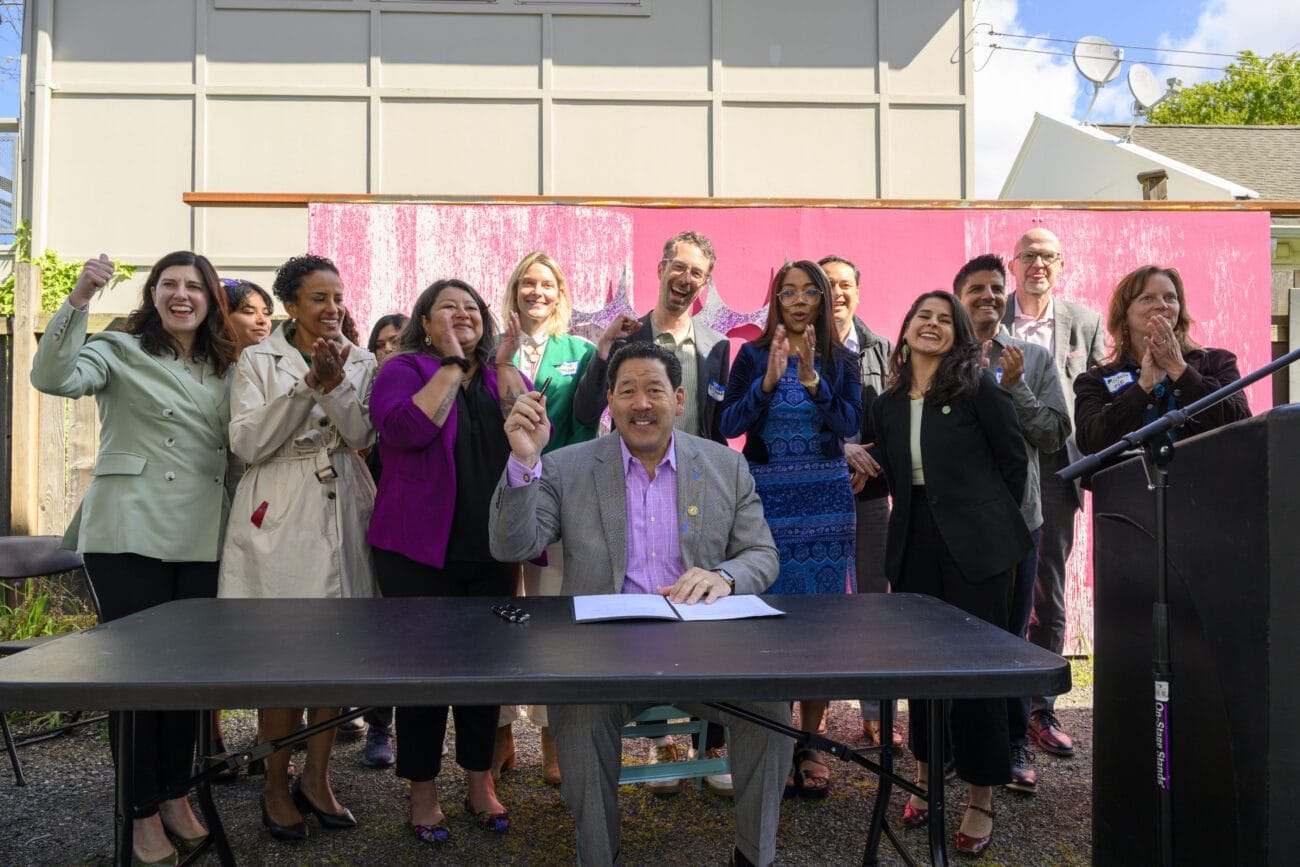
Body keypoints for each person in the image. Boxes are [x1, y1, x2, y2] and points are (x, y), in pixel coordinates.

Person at [489, 341, 789, 867]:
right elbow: (511, 546)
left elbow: (762, 555)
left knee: (769, 712)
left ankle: (754, 855)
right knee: (580, 717)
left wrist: (723, 576)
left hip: (705, 649)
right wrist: (523, 461)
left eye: (654, 390)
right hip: (603, 655)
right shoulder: (565, 467)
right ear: (610, 401)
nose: (641, 403)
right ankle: (598, 855)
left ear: (679, 399)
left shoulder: (724, 466)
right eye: (627, 391)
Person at [31, 251, 237, 867]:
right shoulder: (118, 348)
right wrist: (79, 298)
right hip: (129, 528)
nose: (181, 295)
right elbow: (52, 377)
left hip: (204, 530)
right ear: (152, 295)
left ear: (210, 300)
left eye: (194, 286)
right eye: (168, 284)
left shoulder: (226, 366)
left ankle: (175, 793)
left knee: (187, 677)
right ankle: (140, 808)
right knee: (138, 675)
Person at [218, 254, 378, 842]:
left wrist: (335, 387)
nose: (333, 307)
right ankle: (274, 782)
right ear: (290, 305)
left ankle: (317, 777)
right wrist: (308, 387)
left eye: (337, 296)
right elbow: (247, 442)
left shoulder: (362, 359)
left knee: (335, 648)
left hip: (343, 498)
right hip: (279, 501)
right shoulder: (257, 360)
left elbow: (362, 435)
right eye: (318, 298)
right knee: (282, 652)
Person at [367, 278, 528, 847]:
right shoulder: (404, 369)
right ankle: (423, 791)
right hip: (417, 549)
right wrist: (453, 365)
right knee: (424, 673)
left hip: (492, 545)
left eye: (472, 307)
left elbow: (533, 433)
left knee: (485, 670)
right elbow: (405, 429)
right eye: (448, 307)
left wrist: (503, 367)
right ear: (424, 321)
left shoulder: (498, 373)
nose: (463, 314)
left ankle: (480, 782)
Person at [872, 291, 1031, 857]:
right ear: (905, 329)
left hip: (978, 550)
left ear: (959, 334)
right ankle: (924, 776)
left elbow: (1013, 463)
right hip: (914, 543)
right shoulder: (887, 403)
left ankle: (981, 796)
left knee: (976, 670)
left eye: (944, 319)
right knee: (921, 668)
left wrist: (985, 521)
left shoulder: (978, 388)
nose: (932, 325)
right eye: (923, 317)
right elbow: (890, 471)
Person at [572, 229, 731, 792]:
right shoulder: (626, 334)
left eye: (697, 272)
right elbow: (587, 409)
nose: (685, 279)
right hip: (637, 481)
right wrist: (602, 352)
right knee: (647, 601)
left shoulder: (717, 346)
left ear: (706, 283)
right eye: (678, 267)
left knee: (704, 606)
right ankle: (662, 739)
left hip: (698, 488)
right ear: (660, 268)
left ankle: (714, 741)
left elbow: (720, 422)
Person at [719, 259, 860, 797]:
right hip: (765, 502)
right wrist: (768, 382)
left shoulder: (843, 360)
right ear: (775, 300)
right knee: (766, 619)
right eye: (788, 292)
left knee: (819, 625)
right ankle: (771, 740)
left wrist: (814, 383)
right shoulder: (752, 355)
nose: (799, 301)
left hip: (825, 504)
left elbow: (850, 424)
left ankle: (811, 742)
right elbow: (728, 424)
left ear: (823, 299)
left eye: (809, 292)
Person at [954, 255, 1071, 794]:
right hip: (955, 525)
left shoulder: (1034, 358)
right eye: (976, 288)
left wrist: (1017, 386)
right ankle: (951, 747)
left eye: (996, 288)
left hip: (1019, 521)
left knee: (1011, 636)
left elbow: (1052, 436)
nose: (988, 296)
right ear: (959, 298)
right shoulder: (942, 356)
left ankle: (1013, 740)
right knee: (952, 637)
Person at [493, 251, 607, 786]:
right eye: (527, 283)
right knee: (500, 617)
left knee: (550, 617)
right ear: (515, 290)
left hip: (560, 501)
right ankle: (500, 731)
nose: (536, 292)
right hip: (504, 494)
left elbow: (586, 416)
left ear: (560, 293)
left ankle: (552, 736)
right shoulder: (495, 350)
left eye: (546, 284)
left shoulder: (580, 351)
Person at [1001, 227, 1105, 758]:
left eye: (1048, 256)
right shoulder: (989, 318)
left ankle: (1040, 709)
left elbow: (1096, 397)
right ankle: (996, 704)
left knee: (1048, 590)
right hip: (998, 467)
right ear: (1013, 265)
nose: (1037, 264)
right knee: (998, 587)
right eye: (1029, 255)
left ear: (1061, 265)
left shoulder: (1085, 323)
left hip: (1057, 468)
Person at [820, 253, 898, 750]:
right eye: (827, 284)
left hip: (871, 497)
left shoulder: (884, 351)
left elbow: (898, 423)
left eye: (845, 283)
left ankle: (875, 713)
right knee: (817, 607)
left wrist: (870, 464)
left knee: (873, 605)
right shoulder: (799, 351)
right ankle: (815, 711)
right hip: (815, 499)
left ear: (858, 291)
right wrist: (836, 455)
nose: (837, 292)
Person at [203, 278, 276, 784]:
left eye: (266, 310)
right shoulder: (213, 370)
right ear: (222, 315)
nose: (262, 319)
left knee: (259, 624)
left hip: (260, 508)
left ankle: (269, 736)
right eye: (248, 310)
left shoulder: (269, 365)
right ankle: (210, 738)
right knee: (212, 627)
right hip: (210, 507)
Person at [1074, 264, 1251, 455]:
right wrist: (1142, 388)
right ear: (1124, 315)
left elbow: (1240, 424)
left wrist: (1179, 370)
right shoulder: (1095, 380)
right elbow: (1091, 443)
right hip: (1133, 475)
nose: (1162, 305)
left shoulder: (1217, 362)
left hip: (1206, 473)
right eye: (1147, 298)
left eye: (1170, 298)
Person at [352, 311, 409, 770]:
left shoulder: (420, 389)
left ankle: (404, 727)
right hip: (362, 519)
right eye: (381, 343)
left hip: (403, 526)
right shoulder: (361, 389)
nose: (388, 349)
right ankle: (376, 723)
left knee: (406, 634)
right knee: (374, 630)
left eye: (397, 342)